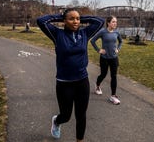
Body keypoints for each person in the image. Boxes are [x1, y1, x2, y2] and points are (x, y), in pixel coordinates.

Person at [36, 8, 104, 142]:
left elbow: (100, 21)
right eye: (71, 19)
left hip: (82, 81)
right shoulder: (57, 34)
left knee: (81, 115)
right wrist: (60, 16)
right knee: (66, 116)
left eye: (77, 19)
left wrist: (80, 19)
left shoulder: (85, 33)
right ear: (64, 21)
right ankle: (57, 121)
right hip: (64, 83)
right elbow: (41, 21)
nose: (75, 21)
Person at [90, 15, 123, 105]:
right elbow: (92, 41)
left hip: (114, 58)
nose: (115, 23)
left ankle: (113, 96)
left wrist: (118, 49)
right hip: (104, 58)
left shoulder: (116, 32)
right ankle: (97, 86)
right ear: (108, 23)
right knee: (103, 74)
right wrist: (99, 50)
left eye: (116, 22)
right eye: (113, 22)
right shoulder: (103, 32)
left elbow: (121, 41)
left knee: (114, 76)